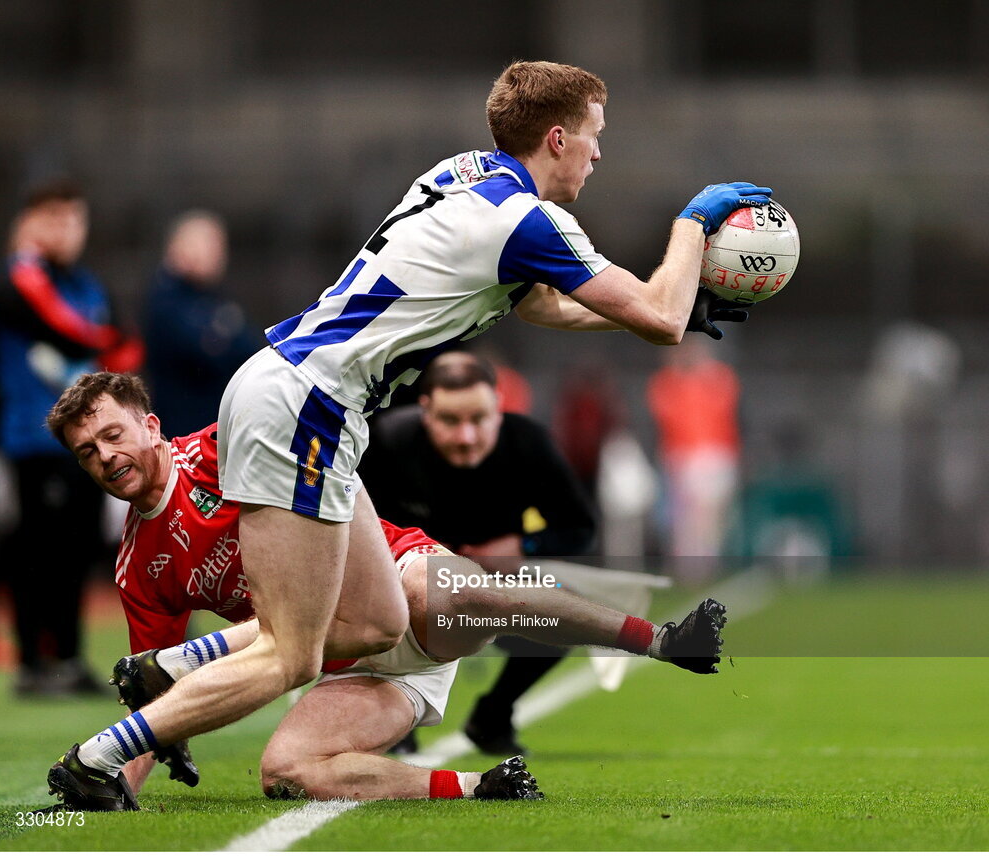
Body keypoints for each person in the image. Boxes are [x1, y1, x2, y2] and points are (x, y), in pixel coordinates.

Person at [46, 59, 767, 808]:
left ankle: (178, 667)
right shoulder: (529, 221)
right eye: (594, 136)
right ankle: (100, 755)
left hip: (294, 389)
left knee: (379, 618)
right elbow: (659, 319)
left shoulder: (463, 176)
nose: (598, 153)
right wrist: (694, 225)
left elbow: (541, 305)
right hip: (310, 403)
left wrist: (668, 301)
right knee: (291, 654)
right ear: (557, 138)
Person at [41, 372, 725, 808]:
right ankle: (478, 786)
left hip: (399, 583)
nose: (106, 457)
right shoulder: (141, 566)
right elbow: (155, 701)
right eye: (87, 452)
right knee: (286, 771)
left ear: (150, 427)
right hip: (347, 663)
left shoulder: (229, 448)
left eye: (112, 435)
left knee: (465, 590)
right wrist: (116, 778)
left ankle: (661, 639)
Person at [361, 352, 596, 755]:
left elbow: (580, 527)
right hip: (402, 585)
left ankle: (492, 716)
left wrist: (523, 546)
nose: (466, 436)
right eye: (450, 421)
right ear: (426, 410)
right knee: (371, 613)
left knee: (565, 612)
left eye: (478, 420)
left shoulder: (529, 444)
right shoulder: (388, 442)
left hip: (495, 584)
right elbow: (353, 529)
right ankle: (395, 723)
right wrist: (419, 557)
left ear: (498, 410)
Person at [0, 178, 143, 695]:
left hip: (87, 441)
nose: (66, 229)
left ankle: (70, 659)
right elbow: (81, 334)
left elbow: (126, 354)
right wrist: (102, 341)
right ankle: (33, 663)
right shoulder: (19, 279)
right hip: (31, 439)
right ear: (30, 223)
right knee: (34, 548)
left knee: (75, 549)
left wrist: (106, 343)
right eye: (53, 218)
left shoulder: (88, 285)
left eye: (74, 219)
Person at [143, 211, 261, 437]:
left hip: (214, 429)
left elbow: (249, 350)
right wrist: (224, 337)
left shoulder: (213, 297)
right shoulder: (164, 298)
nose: (216, 254)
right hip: (182, 432)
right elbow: (207, 352)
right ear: (178, 246)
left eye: (219, 246)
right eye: (207, 244)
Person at [645, 338, 741, 582]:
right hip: (682, 455)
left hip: (716, 453)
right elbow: (665, 417)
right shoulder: (666, 382)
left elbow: (727, 408)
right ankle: (690, 567)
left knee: (713, 515)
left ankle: (709, 561)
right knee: (686, 517)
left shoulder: (719, 377)